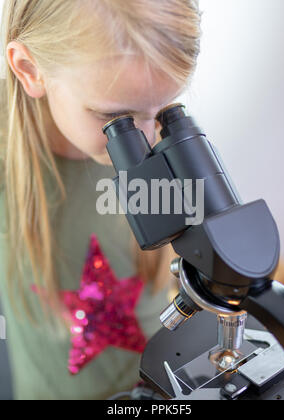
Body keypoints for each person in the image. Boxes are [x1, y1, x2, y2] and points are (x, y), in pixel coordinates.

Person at [0, 0, 201, 400]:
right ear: (30, 69)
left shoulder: (151, 117)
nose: (146, 141)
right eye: (116, 119)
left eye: (162, 110)